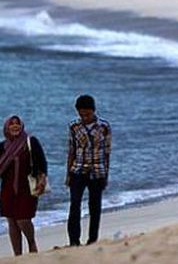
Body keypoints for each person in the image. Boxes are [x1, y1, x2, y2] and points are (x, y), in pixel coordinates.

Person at [0, 116, 48, 256]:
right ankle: (17, 256)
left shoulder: (31, 142)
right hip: (7, 189)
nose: (15, 126)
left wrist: (42, 180)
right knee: (12, 221)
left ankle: (31, 244)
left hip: (27, 188)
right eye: (12, 124)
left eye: (18, 124)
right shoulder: (2, 147)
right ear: (6, 128)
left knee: (23, 219)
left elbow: (42, 164)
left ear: (22, 126)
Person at [66, 94, 112, 246]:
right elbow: (71, 150)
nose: (84, 117)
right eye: (81, 114)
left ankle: (92, 240)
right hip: (78, 170)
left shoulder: (104, 126)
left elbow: (107, 152)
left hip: (98, 171)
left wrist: (106, 174)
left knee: (95, 207)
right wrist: (68, 174)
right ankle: (74, 241)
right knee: (75, 205)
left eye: (87, 114)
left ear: (93, 111)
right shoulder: (74, 126)